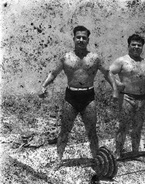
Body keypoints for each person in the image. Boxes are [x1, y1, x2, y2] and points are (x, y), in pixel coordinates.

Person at [38, 26, 118, 169]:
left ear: (88, 39)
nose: (81, 40)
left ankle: (96, 159)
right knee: (65, 130)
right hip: (71, 97)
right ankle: (58, 159)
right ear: (74, 38)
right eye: (78, 37)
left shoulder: (95, 58)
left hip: (88, 97)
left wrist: (115, 90)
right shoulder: (66, 58)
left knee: (92, 130)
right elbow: (53, 73)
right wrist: (43, 86)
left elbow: (107, 74)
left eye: (84, 37)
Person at [109, 34, 145, 159]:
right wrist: (117, 84)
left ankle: (135, 151)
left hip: (141, 98)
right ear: (128, 46)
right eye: (133, 45)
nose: (136, 47)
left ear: (142, 47)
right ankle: (118, 152)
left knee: (138, 126)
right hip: (126, 98)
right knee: (123, 126)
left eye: (139, 45)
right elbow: (108, 72)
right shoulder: (122, 61)